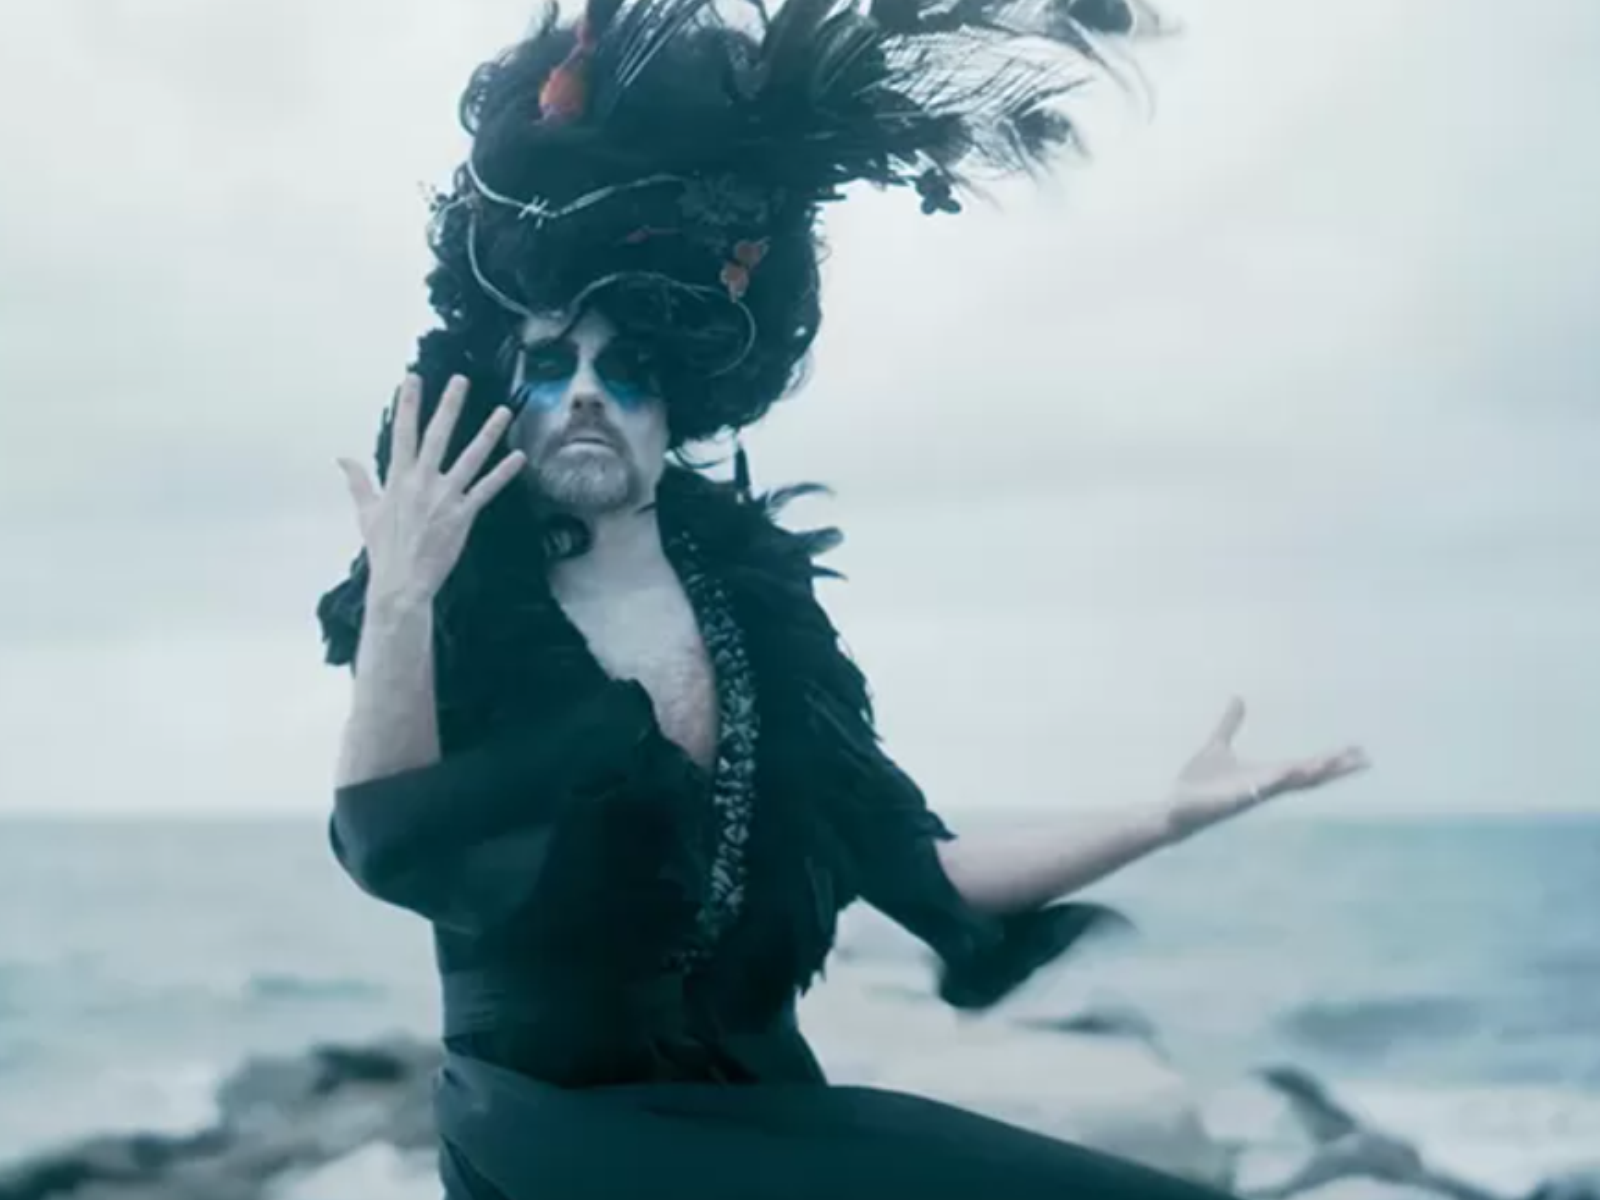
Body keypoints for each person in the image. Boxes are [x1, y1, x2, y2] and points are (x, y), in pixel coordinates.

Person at [316, 0, 1370, 1195]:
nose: (591, 395)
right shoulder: (463, 592)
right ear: (513, 397)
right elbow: (383, 838)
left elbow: (921, 871)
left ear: (682, 407)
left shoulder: (758, 616)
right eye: (554, 366)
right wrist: (401, 595)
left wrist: (1164, 819)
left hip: (758, 1104)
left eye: (630, 370)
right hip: (551, 1132)